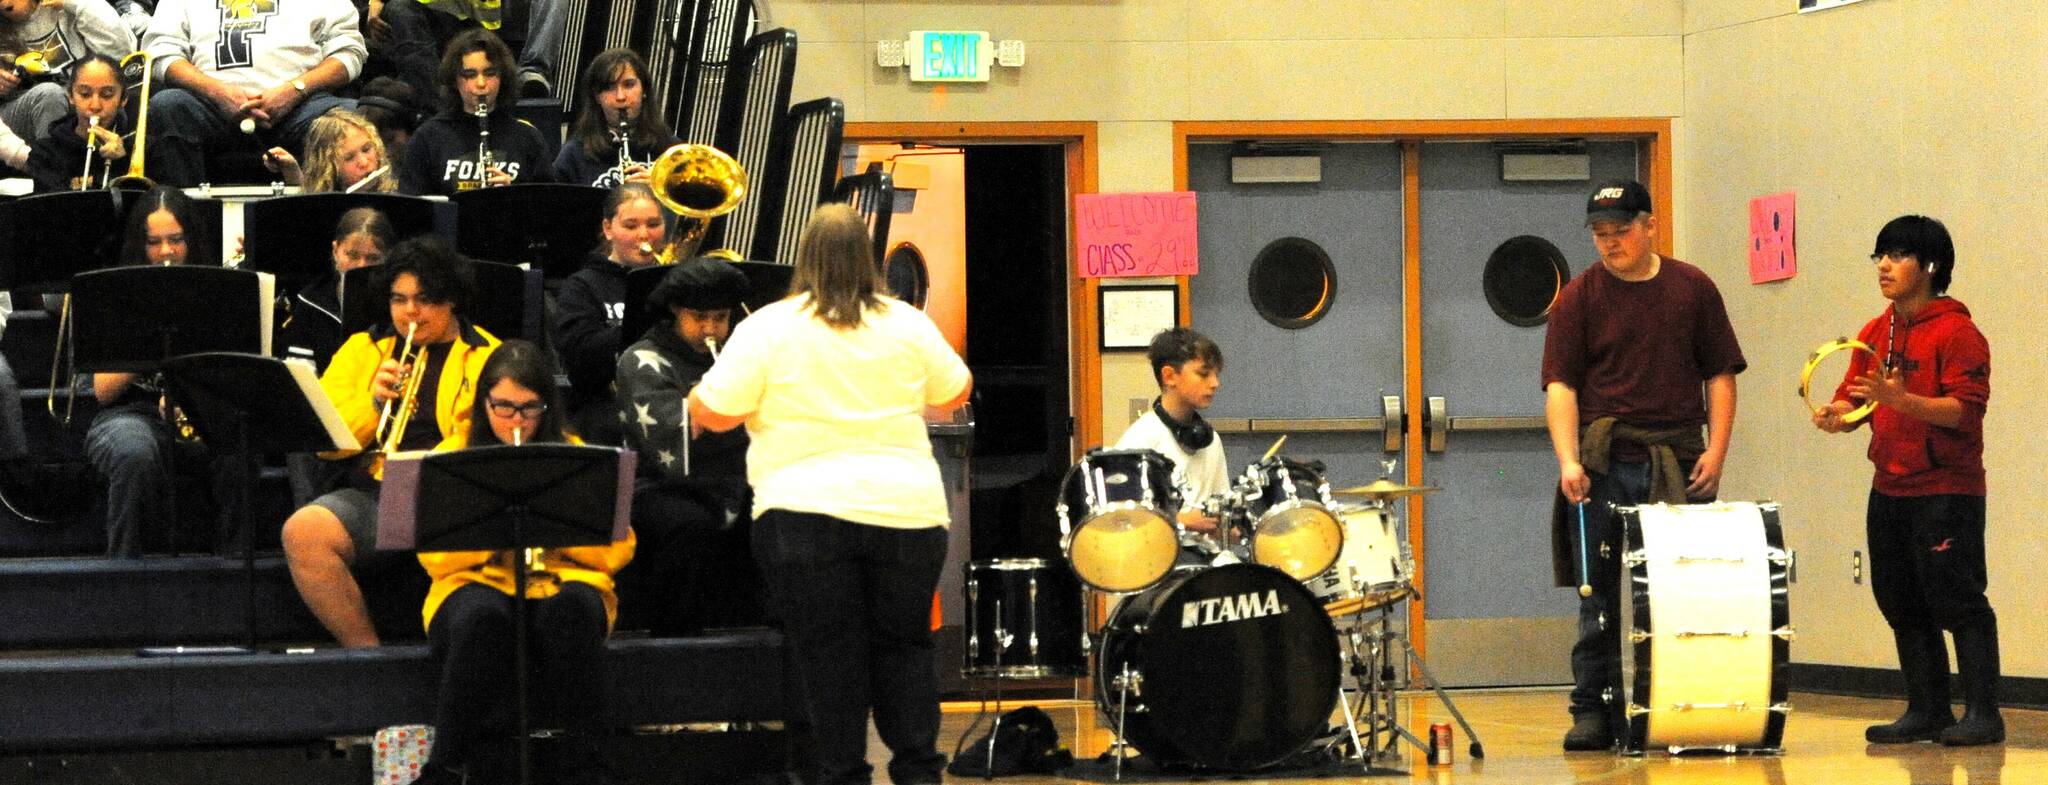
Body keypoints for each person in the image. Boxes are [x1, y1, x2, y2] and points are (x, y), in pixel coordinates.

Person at [689, 204, 971, 785]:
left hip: (802, 513)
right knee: (906, 647)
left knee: (828, 653)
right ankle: (919, 771)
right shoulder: (906, 322)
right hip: (906, 511)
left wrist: (696, 400)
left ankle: (842, 774)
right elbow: (956, 389)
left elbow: (715, 413)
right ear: (868, 260)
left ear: (804, 257)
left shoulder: (768, 325)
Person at [1541, 178, 1745, 751]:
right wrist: (1568, 459)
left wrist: (1716, 450)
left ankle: (1685, 704)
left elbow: (1720, 375)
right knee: (1597, 595)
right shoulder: (1580, 298)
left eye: (1621, 231)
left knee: (1686, 590)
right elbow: (1561, 386)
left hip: (1678, 458)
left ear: (1650, 226)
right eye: (1600, 235)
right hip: (1605, 460)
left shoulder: (1693, 289)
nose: (1610, 244)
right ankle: (1593, 710)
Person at [410, 340, 633, 785]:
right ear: (483, 402)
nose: (516, 420)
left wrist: (555, 534)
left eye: (529, 409)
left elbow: (619, 545)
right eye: (503, 407)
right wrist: (494, 535)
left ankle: (591, 770)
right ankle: (446, 769)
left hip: (557, 578)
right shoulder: (450, 454)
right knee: (481, 618)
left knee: (571, 611)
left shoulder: (574, 453)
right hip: (474, 583)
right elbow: (434, 556)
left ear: (546, 407)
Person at [1814, 215, 1999, 746]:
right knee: (1900, 598)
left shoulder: (1959, 332)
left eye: (1896, 256)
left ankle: (1984, 714)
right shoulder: (1878, 329)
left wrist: (1901, 400)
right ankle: (1927, 709)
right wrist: (1837, 413)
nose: (1884, 266)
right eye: (1879, 256)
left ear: (1931, 266)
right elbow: (1857, 395)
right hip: (1889, 488)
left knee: (1958, 599)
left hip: (1947, 489)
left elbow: (1964, 413)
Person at [280, 236, 499, 646]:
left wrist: (431, 464)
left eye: (424, 299)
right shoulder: (362, 349)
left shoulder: (488, 354)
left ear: (451, 299)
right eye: (399, 300)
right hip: (375, 493)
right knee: (303, 532)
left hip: (453, 498)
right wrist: (373, 401)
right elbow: (323, 439)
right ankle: (367, 657)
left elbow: (487, 438)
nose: (410, 312)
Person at [611, 257, 759, 636]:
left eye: (720, 318)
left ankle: (756, 644)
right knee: (688, 527)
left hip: (733, 480)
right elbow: (674, 441)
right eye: (699, 317)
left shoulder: (741, 357)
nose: (711, 329)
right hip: (659, 487)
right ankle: (675, 643)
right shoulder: (642, 360)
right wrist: (728, 413)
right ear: (676, 311)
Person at [86, 186, 219, 557]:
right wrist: (156, 329)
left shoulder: (218, 289)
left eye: (175, 240)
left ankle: (231, 563)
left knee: (239, 446)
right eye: (154, 242)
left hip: (197, 409)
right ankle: (124, 574)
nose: (165, 252)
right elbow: (103, 391)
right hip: (128, 412)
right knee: (134, 451)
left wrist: (189, 397)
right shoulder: (118, 293)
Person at [140, 0, 366, 187]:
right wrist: (216, 92)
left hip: (300, 108)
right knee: (167, 106)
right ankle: (182, 224)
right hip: (210, 109)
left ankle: (342, 229)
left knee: (349, 117)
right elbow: (161, 52)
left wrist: (295, 90)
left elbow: (349, 52)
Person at [552, 182, 662, 445]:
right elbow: (580, 357)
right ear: (608, 229)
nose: (644, 235)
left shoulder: (673, 281)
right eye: (631, 225)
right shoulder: (582, 285)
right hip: (605, 409)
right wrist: (640, 322)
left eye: (654, 224)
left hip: (667, 405)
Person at [397, 28, 550, 195]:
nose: (481, 83)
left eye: (490, 73)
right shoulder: (428, 137)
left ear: (502, 77)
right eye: (470, 74)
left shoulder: (528, 138)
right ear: (454, 79)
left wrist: (513, 197)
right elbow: (412, 206)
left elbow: (545, 209)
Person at [1113, 327, 1227, 543]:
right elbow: (1120, 519)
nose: (1215, 383)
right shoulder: (1141, 439)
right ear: (1169, 376)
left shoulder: (1210, 441)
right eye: (1204, 374)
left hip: (1205, 561)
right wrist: (1181, 520)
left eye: (1216, 374)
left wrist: (1228, 527)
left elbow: (1220, 516)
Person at [0, 0, 133, 159]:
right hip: (17, 110)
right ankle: (52, 172)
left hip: (80, 99)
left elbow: (119, 56)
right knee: (51, 94)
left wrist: (76, 4)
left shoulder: (73, 7)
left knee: (115, 97)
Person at [377, 0, 566, 108]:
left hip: (496, 17)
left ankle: (533, 72)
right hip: (445, 14)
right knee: (400, 9)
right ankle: (439, 107)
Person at [553, 48, 675, 189]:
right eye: (609, 87)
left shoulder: (671, 152)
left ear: (644, 90)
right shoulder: (574, 155)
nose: (620, 96)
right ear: (596, 97)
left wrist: (662, 188)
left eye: (629, 85)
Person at [25, 53, 129, 192]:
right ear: (71, 96)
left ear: (123, 99)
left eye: (107, 95)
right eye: (85, 94)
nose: (95, 106)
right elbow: (50, 208)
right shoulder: (45, 153)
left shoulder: (142, 148)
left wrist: (123, 162)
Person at [262, 108, 395, 192]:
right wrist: (292, 172)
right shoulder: (326, 208)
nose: (364, 162)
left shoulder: (397, 191)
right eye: (349, 158)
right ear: (329, 167)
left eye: (367, 149)